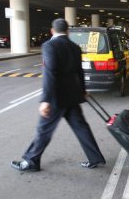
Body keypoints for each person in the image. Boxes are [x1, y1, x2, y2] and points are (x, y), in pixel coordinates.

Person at [11, 19, 105, 171]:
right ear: (67, 31)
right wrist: (82, 89)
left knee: (44, 131)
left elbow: (50, 73)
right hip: (73, 96)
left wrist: (46, 100)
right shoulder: (75, 47)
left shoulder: (49, 45)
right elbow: (79, 71)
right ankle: (95, 158)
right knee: (81, 128)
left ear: (52, 31)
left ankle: (31, 161)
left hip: (56, 98)